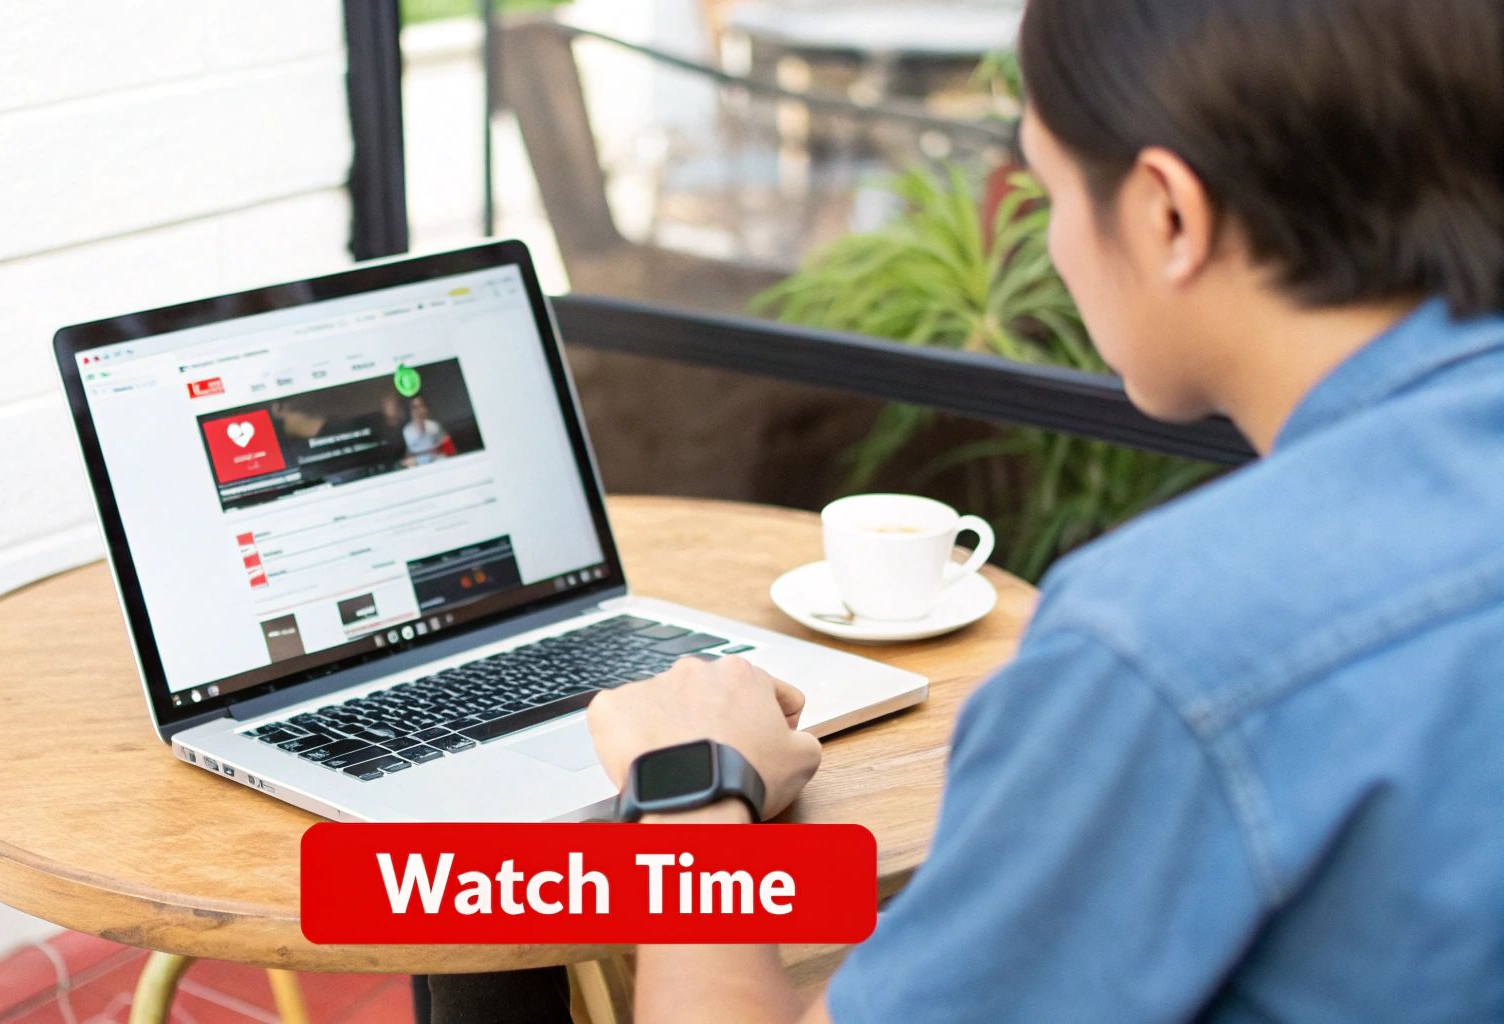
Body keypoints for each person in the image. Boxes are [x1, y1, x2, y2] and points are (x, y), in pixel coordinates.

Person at [583, 0, 1504, 1020]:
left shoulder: (1166, 648)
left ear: (1166, 215)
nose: (1048, 246)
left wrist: (688, 791)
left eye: (1044, 189)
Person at [403, 395, 452, 464]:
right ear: (410, 410)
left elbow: (449, 448)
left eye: (421, 406)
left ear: (426, 408)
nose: (418, 410)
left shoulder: (434, 426)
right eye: (414, 407)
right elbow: (410, 453)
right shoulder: (407, 430)